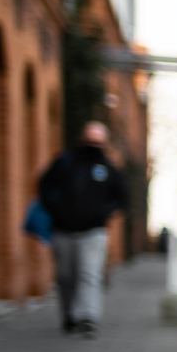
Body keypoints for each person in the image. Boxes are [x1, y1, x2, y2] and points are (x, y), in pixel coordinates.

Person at [37, 120, 128, 336]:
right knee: (66, 276)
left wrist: (103, 213)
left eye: (98, 140)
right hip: (63, 231)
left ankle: (89, 317)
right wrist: (55, 209)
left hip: (93, 232)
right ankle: (69, 315)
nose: (93, 144)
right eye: (90, 139)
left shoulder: (108, 168)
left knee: (89, 274)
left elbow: (121, 198)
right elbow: (44, 185)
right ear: (82, 139)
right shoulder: (66, 162)